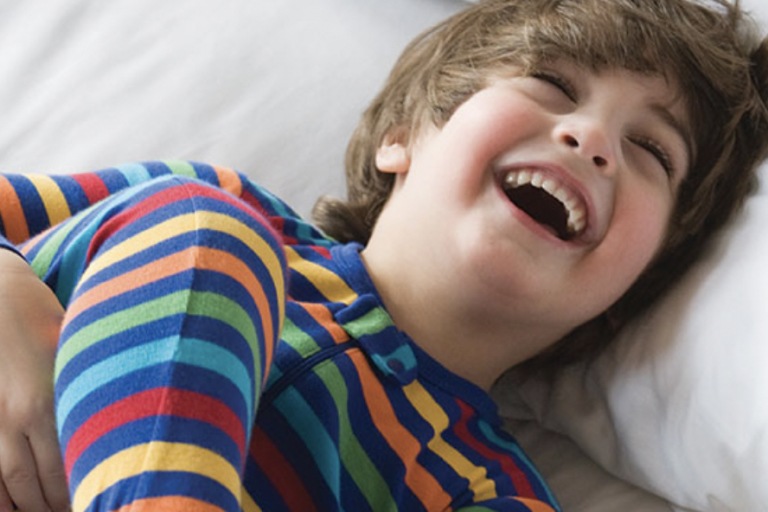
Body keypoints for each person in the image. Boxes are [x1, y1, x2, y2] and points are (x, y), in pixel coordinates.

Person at [1, 0, 767, 510]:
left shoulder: (480, 490)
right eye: (552, 85)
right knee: (208, 230)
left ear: (630, 290)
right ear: (403, 133)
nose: (591, 139)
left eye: (649, 151)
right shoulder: (216, 205)